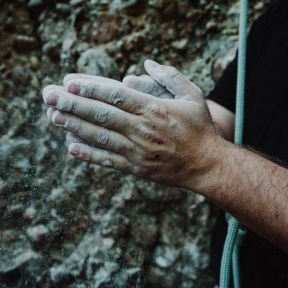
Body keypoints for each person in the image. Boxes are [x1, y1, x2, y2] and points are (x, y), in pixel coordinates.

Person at [42, 0, 288, 286]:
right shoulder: (280, 16)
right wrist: (160, 116)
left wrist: (206, 159)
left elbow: (209, 151)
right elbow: (226, 115)